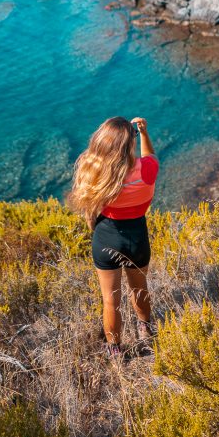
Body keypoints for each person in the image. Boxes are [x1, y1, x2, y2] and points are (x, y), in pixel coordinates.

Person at [68, 116, 159, 359]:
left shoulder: (96, 173)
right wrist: (144, 133)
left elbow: (94, 161)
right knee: (139, 290)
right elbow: (150, 157)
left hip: (106, 238)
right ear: (130, 145)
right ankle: (146, 331)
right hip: (136, 238)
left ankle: (115, 350)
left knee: (111, 301)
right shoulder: (147, 171)